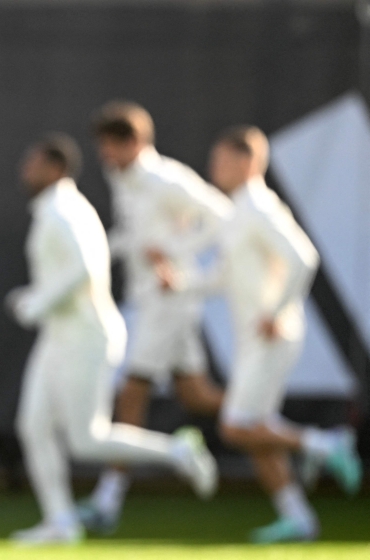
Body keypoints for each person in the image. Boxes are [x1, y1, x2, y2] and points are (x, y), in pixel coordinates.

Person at [7, 134, 218, 546]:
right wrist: (36, 298)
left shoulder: (64, 210)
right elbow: (80, 265)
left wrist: (37, 304)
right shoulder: (55, 209)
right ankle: (61, 522)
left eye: (34, 163)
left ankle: (178, 452)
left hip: (86, 336)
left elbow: (86, 268)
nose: (25, 170)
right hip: (57, 336)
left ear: (56, 169)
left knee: (88, 440)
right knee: (33, 427)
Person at [192, 125, 362, 543]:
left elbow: (304, 258)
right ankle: (298, 518)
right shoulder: (238, 211)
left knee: (236, 426)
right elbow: (223, 277)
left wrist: (276, 311)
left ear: (248, 162)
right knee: (257, 429)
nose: (215, 167)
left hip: (272, 336)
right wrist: (178, 283)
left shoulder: (260, 206)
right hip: (255, 338)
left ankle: (327, 444)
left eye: (223, 159)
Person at [79, 101, 233, 533]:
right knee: (197, 396)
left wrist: (175, 253)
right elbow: (133, 235)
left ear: (133, 142)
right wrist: (95, 255)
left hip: (169, 303)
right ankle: (306, 439)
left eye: (110, 146)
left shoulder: (167, 179)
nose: (105, 155)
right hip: (145, 301)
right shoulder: (120, 177)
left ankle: (107, 502)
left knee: (131, 392)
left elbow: (222, 216)